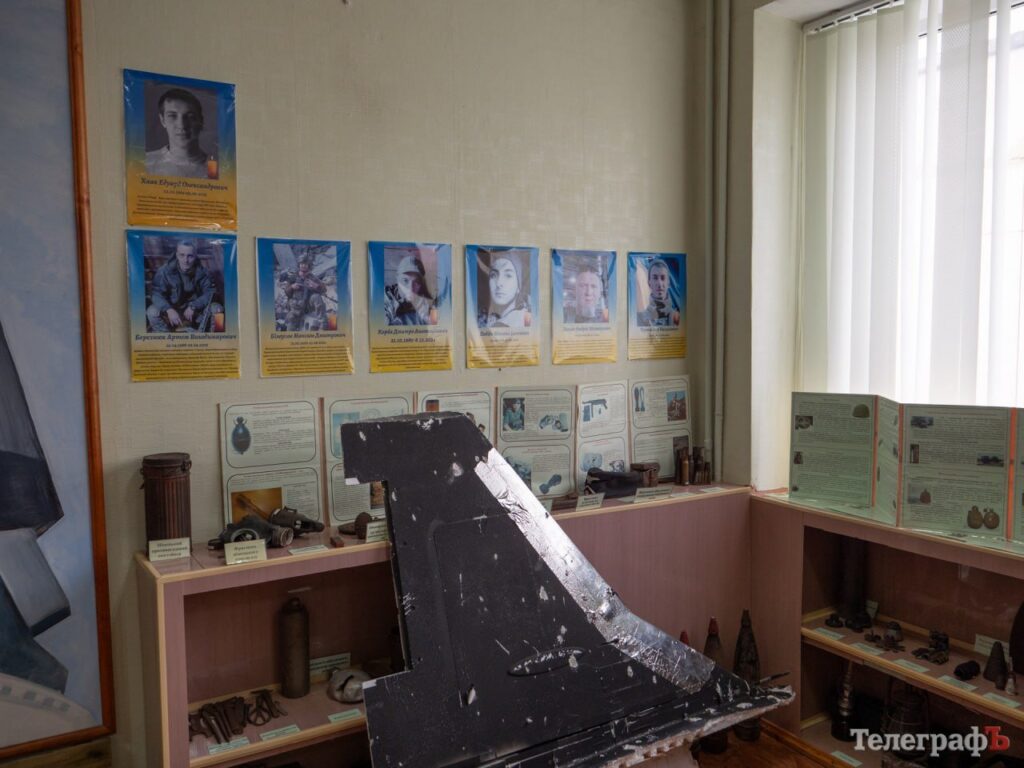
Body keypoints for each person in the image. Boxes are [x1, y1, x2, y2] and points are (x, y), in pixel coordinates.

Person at [146, 240, 222, 332]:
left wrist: (194, 306)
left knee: (218, 309)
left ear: (195, 256)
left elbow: (210, 292)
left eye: (190, 256)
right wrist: (169, 309)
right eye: (182, 255)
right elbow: (156, 294)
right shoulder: (164, 272)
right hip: (173, 311)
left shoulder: (203, 272)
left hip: (196, 311)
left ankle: (215, 337)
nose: (186, 260)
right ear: (177, 255)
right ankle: (165, 337)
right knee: (152, 312)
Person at [145, 88, 212, 178]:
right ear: (162, 120)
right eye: (172, 116)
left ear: (201, 121)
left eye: (190, 116)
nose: (182, 125)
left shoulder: (217, 168)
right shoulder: (145, 163)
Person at [478, 251, 530, 328]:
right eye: (493, 275)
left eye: (508, 275)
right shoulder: (483, 319)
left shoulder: (525, 319)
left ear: (519, 287)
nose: (499, 283)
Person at [279, 257, 328, 331]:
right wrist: (292, 287)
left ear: (308, 265)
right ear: (299, 265)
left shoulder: (312, 277)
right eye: (302, 264)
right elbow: (286, 292)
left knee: (316, 297)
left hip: (307, 306)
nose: (303, 266)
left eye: (305, 264)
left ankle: (323, 324)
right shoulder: (293, 277)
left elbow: (324, 289)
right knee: (290, 327)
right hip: (295, 307)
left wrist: (315, 285)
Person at [385, 254, 436, 325]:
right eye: (405, 280)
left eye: (416, 282)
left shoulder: (427, 302)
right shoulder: (385, 298)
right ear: (397, 279)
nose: (410, 288)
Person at [637, 259, 680, 327]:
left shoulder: (678, 319)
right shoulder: (639, 320)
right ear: (649, 283)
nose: (659, 283)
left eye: (663, 278)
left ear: (668, 283)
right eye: (655, 278)